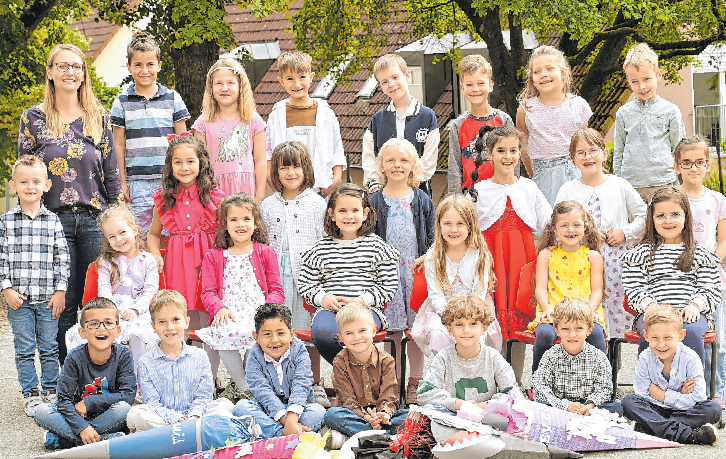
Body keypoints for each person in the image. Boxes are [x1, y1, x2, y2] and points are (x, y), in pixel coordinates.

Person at [18, 43, 122, 364]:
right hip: (52, 222)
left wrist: (119, 220)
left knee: (96, 303)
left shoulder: (98, 117)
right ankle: (66, 376)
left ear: (83, 75)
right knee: (61, 302)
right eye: (62, 66)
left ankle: (98, 374)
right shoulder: (33, 119)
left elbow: (111, 172)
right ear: (50, 72)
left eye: (76, 67)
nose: (70, 72)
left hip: (95, 220)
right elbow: (26, 176)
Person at [555, 128, 646, 339]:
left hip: (616, 259)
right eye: (581, 153)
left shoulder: (619, 185)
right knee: (586, 312)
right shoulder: (568, 189)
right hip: (581, 261)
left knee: (616, 312)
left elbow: (644, 215)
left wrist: (626, 232)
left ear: (604, 154)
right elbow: (557, 220)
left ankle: (614, 362)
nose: (588, 157)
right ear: (572, 159)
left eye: (593, 150)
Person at [147, 134, 225, 381]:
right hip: (178, 263)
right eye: (177, 162)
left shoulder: (215, 197)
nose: (184, 167)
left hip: (209, 261)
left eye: (190, 161)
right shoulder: (165, 199)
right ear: (170, 166)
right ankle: (187, 375)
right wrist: (155, 256)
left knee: (208, 319)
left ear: (201, 163)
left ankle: (210, 378)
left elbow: (227, 232)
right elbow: (152, 234)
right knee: (183, 317)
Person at [469, 125, 551, 354]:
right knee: (490, 320)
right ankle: (494, 379)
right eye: (501, 150)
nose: (508, 156)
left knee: (520, 322)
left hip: (522, 265)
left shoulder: (529, 187)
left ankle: (515, 381)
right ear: (490, 153)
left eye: (513, 150)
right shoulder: (479, 190)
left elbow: (551, 224)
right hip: (491, 264)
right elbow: (456, 226)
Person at [298, 183, 399, 364]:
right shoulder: (321, 248)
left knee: (360, 334)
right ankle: (352, 373)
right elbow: (306, 283)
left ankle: (355, 377)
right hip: (330, 311)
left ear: (365, 213)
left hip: (365, 310)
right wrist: (323, 298)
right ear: (332, 213)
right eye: (342, 211)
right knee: (322, 333)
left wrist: (363, 301)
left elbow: (389, 284)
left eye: (355, 210)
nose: (349, 216)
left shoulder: (376, 247)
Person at [261, 141, 329, 406]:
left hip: (308, 278)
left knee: (305, 331)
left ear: (306, 169)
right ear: (275, 173)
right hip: (277, 276)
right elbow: (264, 242)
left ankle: (314, 382)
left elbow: (324, 241)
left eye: (296, 166)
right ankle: (278, 383)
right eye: (283, 168)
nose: (290, 173)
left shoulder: (316, 203)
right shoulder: (268, 205)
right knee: (278, 328)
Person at [1, 155, 69, 416]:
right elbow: (1, 257)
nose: (30, 186)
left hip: (48, 298)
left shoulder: (53, 221)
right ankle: (30, 394)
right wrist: (6, 288)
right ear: (13, 186)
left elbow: (62, 257)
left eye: (36, 181)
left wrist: (61, 290)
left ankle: (51, 391)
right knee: (25, 348)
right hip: (19, 300)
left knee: (50, 347)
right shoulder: (6, 222)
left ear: (47, 185)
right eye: (24, 182)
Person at [622, 186, 722, 364]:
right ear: (651, 219)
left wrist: (695, 305)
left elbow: (710, 287)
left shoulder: (700, 254)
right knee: (653, 331)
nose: (668, 221)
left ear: (686, 217)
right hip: (653, 312)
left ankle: (690, 385)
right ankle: (651, 386)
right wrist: (649, 305)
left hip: (690, 314)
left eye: (675, 214)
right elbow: (634, 287)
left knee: (690, 332)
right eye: (660, 215)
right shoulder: (640, 254)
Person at [198, 193, 284, 391]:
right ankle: (243, 386)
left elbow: (277, 291)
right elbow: (208, 292)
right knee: (221, 333)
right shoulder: (214, 256)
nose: (240, 224)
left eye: (246, 219)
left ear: (255, 223)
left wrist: (267, 308)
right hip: (229, 312)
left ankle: (248, 383)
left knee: (260, 335)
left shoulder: (265, 252)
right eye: (233, 219)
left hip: (258, 311)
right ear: (225, 225)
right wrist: (219, 308)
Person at [370, 138, 434, 399]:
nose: (397, 165)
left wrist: (428, 258)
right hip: (387, 275)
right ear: (382, 166)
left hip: (415, 271)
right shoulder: (374, 202)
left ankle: (416, 381)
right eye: (391, 160)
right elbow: (369, 238)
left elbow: (432, 238)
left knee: (415, 330)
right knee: (393, 331)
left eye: (403, 160)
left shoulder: (421, 200)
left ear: (413, 166)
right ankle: (393, 381)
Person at [110, 32, 190, 238]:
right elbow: (118, 145)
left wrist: (183, 180)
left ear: (159, 65)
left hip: (169, 181)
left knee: (171, 235)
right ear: (129, 67)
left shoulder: (173, 98)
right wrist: (123, 183)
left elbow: (184, 144)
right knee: (140, 237)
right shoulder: (121, 102)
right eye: (138, 65)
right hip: (137, 184)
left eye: (150, 64)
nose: (144, 70)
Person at [66, 204, 159, 381]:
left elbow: (151, 291)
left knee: (135, 332)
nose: (119, 239)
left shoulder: (148, 260)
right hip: (112, 309)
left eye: (122, 232)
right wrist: (112, 311)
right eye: (112, 236)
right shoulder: (106, 262)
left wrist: (136, 310)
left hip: (141, 309)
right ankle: (101, 379)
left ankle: (137, 379)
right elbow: (104, 289)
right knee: (90, 332)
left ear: (135, 230)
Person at [34, 298, 135, 450]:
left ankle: (67, 441)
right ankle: (102, 440)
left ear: (118, 330)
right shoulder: (75, 357)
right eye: (93, 324)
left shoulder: (124, 355)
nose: (102, 329)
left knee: (124, 408)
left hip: (109, 416)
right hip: (77, 417)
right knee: (42, 411)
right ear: (82, 332)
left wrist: (90, 402)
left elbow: (127, 395)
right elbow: (63, 400)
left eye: (108, 323)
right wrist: (82, 427)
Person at [126, 290, 233, 432]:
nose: (169, 327)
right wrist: (176, 419)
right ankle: (186, 434)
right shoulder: (145, 362)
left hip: (197, 417)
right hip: (164, 420)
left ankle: (186, 433)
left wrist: (193, 416)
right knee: (136, 414)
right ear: (153, 326)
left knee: (224, 405)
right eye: (162, 322)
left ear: (186, 322)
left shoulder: (200, 356)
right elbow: (152, 402)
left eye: (175, 320)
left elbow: (205, 395)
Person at [410, 195, 500, 357]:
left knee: (474, 334)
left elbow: (478, 294)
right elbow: (435, 294)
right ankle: (445, 374)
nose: (453, 229)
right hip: (442, 311)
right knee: (438, 332)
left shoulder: (480, 255)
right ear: (439, 225)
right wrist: (451, 318)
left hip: (475, 311)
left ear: (470, 226)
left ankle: (472, 374)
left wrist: (466, 319)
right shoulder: (433, 256)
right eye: (447, 224)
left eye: (460, 224)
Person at [622, 304, 722, 445]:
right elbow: (641, 392)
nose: (661, 344)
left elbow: (698, 397)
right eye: (655, 338)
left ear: (681, 335)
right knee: (629, 402)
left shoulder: (691, 358)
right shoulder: (645, 357)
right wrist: (680, 395)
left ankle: (650, 429)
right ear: (646, 336)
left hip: (684, 411)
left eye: (667, 337)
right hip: (655, 408)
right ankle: (690, 435)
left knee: (713, 409)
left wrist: (663, 396)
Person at [528, 200, 607, 372]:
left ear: (585, 227)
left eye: (576, 225)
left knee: (595, 334)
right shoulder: (546, 254)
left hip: (585, 313)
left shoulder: (593, 256)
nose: (571, 230)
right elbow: (540, 288)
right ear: (554, 228)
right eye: (564, 225)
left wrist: (589, 311)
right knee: (545, 335)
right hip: (553, 312)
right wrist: (546, 309)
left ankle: (602, 383)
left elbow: (597, 291)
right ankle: (538, 382)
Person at [677, 135, 726, 403]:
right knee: (686, 335)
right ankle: (686, 388)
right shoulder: (672, 198)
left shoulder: (718, 200)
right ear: (677, 166)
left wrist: (710, 263)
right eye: (687, 162)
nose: (694, 168)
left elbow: (724, 240)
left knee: (715, 339)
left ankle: (716, 391)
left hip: (712, 281)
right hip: (679, 279)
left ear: (707, 164)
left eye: (699, 162)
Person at [232, 303, 326, 437]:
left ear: (292, 334)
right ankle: (285, 434)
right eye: (267, 334)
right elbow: (261, 390)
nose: (274, 340)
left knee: (318, 411)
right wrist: (285, 422)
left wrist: (292, 418)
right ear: (256, 337)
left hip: (299, 408)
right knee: (241, 408)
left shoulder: (299, 350)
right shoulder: (254, 356)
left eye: (281, 333)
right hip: (267, 408)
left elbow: (302, 383)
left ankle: (271, 434)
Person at [516, 46, 592, 205]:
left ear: (563, 73)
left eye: (550, 69)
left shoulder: (578, 106)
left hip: (577, 172)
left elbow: (586, 144)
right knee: (550, 223)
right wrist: (535, 173)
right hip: (544, 175)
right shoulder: (525, 110)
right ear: (531, 78)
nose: (543, 74)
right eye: (537, 72)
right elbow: (524, 147)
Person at [417, 296, 518, 413]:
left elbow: (513, 393)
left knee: (510, 413)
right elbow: (424, 393)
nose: (466, 330)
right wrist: (456, 404)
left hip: (485, 416)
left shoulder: (493, 357)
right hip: (452, 416)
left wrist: (486, 406)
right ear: (450, 329)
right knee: (427, 411)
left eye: (473, 324)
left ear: (484, 328)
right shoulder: (443, 357)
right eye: (459, 325)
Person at [324, 302, 408, 442]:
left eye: (362, 331)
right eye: (349, 333)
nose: (357, 337)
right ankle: (385, 437)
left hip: (382, 415)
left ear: (374, 330)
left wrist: (383, 415)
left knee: (412, 414)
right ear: (341, 338)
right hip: (355, 414)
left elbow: (390, 395)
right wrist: (366, 418)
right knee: (331, 415)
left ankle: (363, 436)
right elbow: (346, 399)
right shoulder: (340, 361)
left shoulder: (387, 360)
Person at [265, 51, 346, 197]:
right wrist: (271, 179)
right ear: (282, 81)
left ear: (311, 77)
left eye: (302, 77)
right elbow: (268, 152)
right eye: (290, 78)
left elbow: (337, 148)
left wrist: (337, 179)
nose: (297, 84)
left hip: (320, 188)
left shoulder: (326, 112)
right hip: (287, 189)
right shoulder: (276, 115)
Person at [613, 43, 686, 203]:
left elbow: (679, 148)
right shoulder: (623, 113)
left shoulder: (671, 111)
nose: (642, 86)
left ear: (658, 75)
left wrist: (678, 181)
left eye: (646, 79)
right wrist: (619, 181)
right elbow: (619, 151)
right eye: (635, 81)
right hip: (632, 185)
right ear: (628, 81)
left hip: (664, 183)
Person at [362, 54, 439, 195]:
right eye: (384, 82)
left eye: (395, 77)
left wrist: (408, 184)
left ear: (407, 76)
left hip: (419, 194)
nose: (391, 84)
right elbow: (368, 156)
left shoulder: (427, 117)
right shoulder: (378, 120)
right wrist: (374, 184)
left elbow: (429, 158)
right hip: (384, 195)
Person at [532, 297, 622, 416]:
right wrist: (565, 406)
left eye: (579, 328)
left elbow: (605, 388)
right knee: (538, 406)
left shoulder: (598, 357)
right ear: (556, 330)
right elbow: (540, 387)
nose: (572, 335)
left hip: (588, 408)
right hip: (559, 407)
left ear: (589, 329)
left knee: (616, 408)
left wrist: (591, 404)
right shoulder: (550, 356)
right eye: (565, 329)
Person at [192, 59, 266, 199]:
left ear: (240, 86)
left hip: (247, 192)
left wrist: (260, 197)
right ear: (211, 87)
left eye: (230, 83)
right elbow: (200, 165)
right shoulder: (202, 124)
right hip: (215, 193)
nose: (224, 88)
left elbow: (261, 161)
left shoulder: (254, 121)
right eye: (218, 83)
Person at [448, 54, 514, 194]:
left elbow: (514, 160)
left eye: (481, 83)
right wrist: (456, 201)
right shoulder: (457, 126)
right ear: (462, 87)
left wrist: (513, 191)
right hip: (470, 197)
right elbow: (454, 168)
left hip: (501, 193)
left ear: (490, 85)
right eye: (469, 84)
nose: (475, 89)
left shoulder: (504, 121)